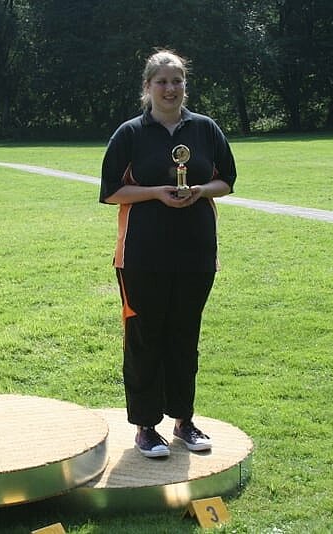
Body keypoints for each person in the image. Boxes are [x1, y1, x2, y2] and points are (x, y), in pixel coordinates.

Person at [99, 50, 237, 458]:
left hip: (195, 253)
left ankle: (183, 421)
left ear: (184, 85)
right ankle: (145, 427)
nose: (170, 89)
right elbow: (111, 192)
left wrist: (200, 190)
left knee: (184, 336)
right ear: (148, 87)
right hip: (141, 256)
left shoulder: (205, 128)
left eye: (177, 81)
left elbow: (227, 181)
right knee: (145, 339)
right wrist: (157, 193)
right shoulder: (130, 133)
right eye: (161, 81)